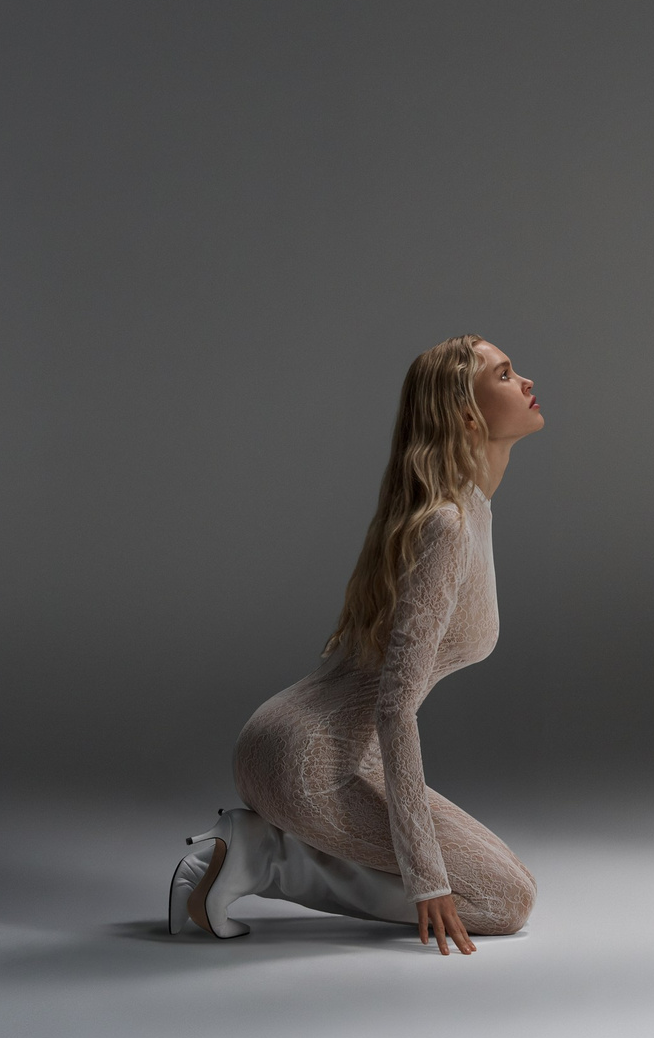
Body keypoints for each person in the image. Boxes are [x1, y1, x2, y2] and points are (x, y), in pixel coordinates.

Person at [167, 335, 544, 954]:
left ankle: (267, 842)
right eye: (505, 374)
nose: (526, 381)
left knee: (514, 883)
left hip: (285, 743)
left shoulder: (463, 508)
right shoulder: (447, 524)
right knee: (506, 902)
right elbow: (393, 709)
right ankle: (264, 858)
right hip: (313, 767)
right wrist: (425, 881)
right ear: (467, 414)